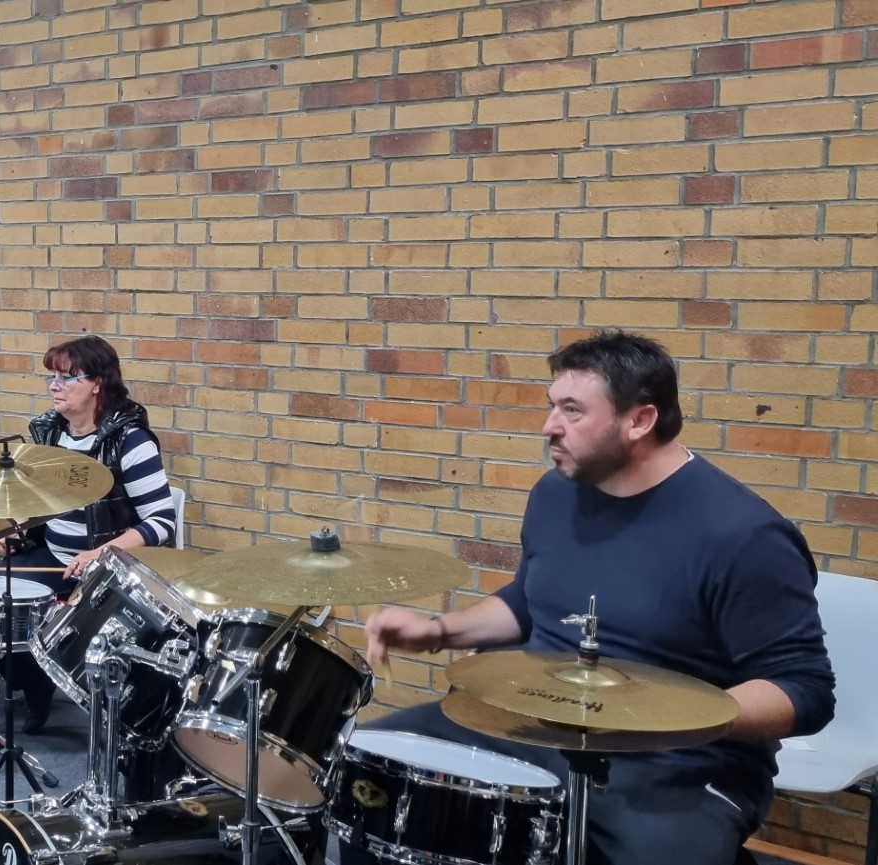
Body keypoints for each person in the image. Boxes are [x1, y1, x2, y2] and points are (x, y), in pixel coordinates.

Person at [356, 330, 833, 865]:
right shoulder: (556, 493)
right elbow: (532, 600)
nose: (549, 425)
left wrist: (665, 720)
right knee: (369, 772)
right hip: (531, 725)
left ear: (640, 420)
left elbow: (805, 689)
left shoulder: (744, 536)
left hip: (678, 765)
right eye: (552, 405)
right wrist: (439, 631)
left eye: (572, 410)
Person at [8, 335, 177, 732]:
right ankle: (35, 687)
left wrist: (99, 554)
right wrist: (17, 527)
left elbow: (161, 521)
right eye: (51, 377)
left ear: (98, 383)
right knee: (5, 597)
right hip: (54, 556)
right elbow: (43, 499)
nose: (54, 386)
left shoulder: (130, 440)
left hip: (108, 570)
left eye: (66, 378)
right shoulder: (50, 433)